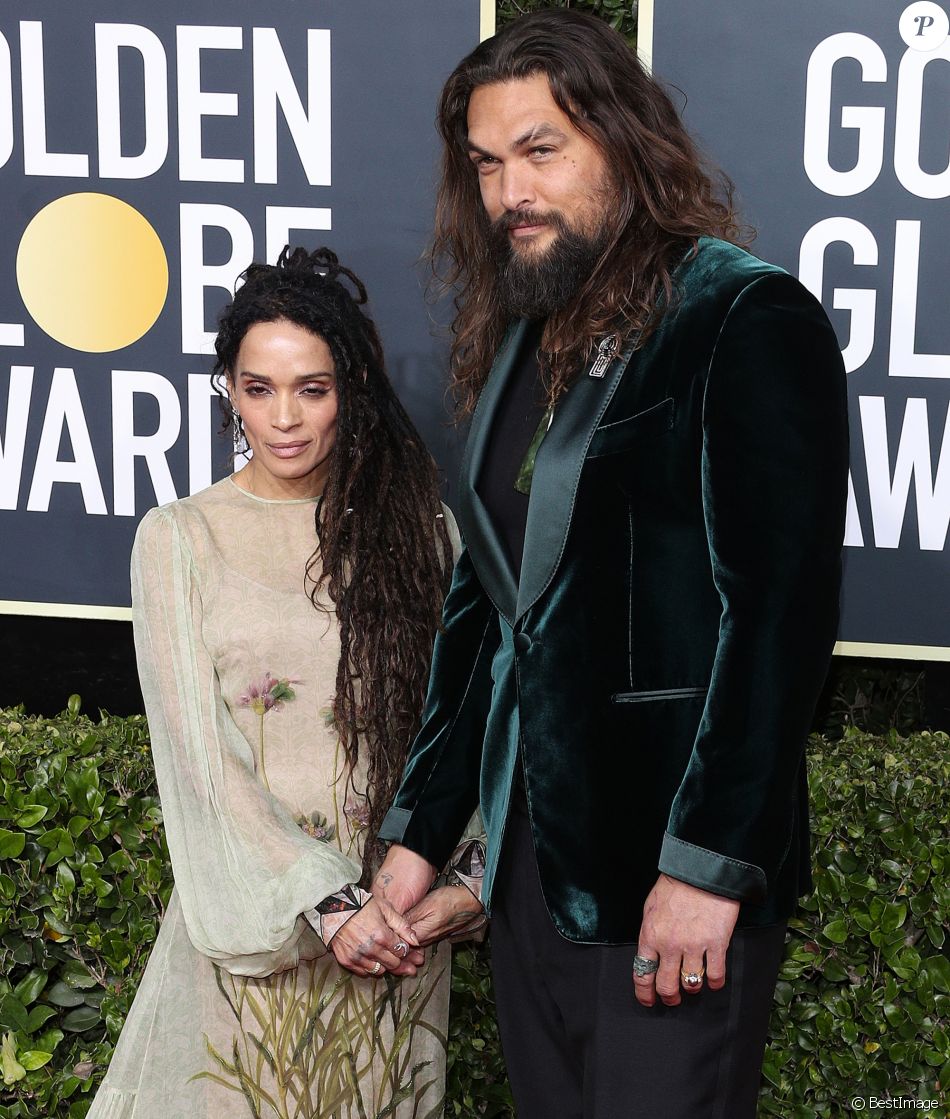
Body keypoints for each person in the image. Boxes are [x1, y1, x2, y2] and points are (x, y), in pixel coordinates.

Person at [361, 11, 849, 1119]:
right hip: (534, 873)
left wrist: (707, 866)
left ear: (624, 143)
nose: (506, 194)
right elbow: (487, 614)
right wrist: (415, 837)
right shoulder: (527, 334)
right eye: (485, 165)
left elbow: (776, 623)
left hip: (664, 876)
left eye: (540, 150)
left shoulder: (740, 315)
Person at [88, 247, 485, 1119]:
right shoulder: (181, 539)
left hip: (399, 940)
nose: (286, 418)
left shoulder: (423, 531)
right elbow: (201, 765)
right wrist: (329, 899)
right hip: (263, 937)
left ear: (352, 391)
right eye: (259, 388)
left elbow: (466, 723)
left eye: (313, 387)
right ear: (229, 388)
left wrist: (469, 881)